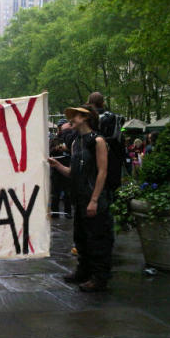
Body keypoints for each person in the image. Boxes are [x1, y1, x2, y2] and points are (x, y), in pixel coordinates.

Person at [48, 104, 114, 292]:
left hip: (95, 198)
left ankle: (99, 277)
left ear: (85, 118)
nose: (71, 120)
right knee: (81, 238)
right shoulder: (76, 142)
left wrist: (94, 199)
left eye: (75, 116)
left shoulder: (98, 141)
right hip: (79, 197)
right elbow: (73, 173)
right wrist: (58, 166)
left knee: (98, 239)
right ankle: (83, 271)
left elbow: (102, 172)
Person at [87, 92, 125, 195]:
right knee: (112, 193)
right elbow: (120, 141)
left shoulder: (87, 119)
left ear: (90, 103)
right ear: (103, 103)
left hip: (92, 161)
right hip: (113, 161)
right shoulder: (114, 118)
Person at [49, 119, 72, 219]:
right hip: (56, 170)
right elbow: (49, 151)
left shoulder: (70, 138)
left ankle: (68, 212)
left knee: (68, 193)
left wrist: (66, 149)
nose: (60, 129)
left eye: (61, 126)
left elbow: (73, 150)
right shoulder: (54, 139)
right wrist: (56, 148)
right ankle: (55, 212)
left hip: (67, 168)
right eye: (59, 127)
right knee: (55, 193)